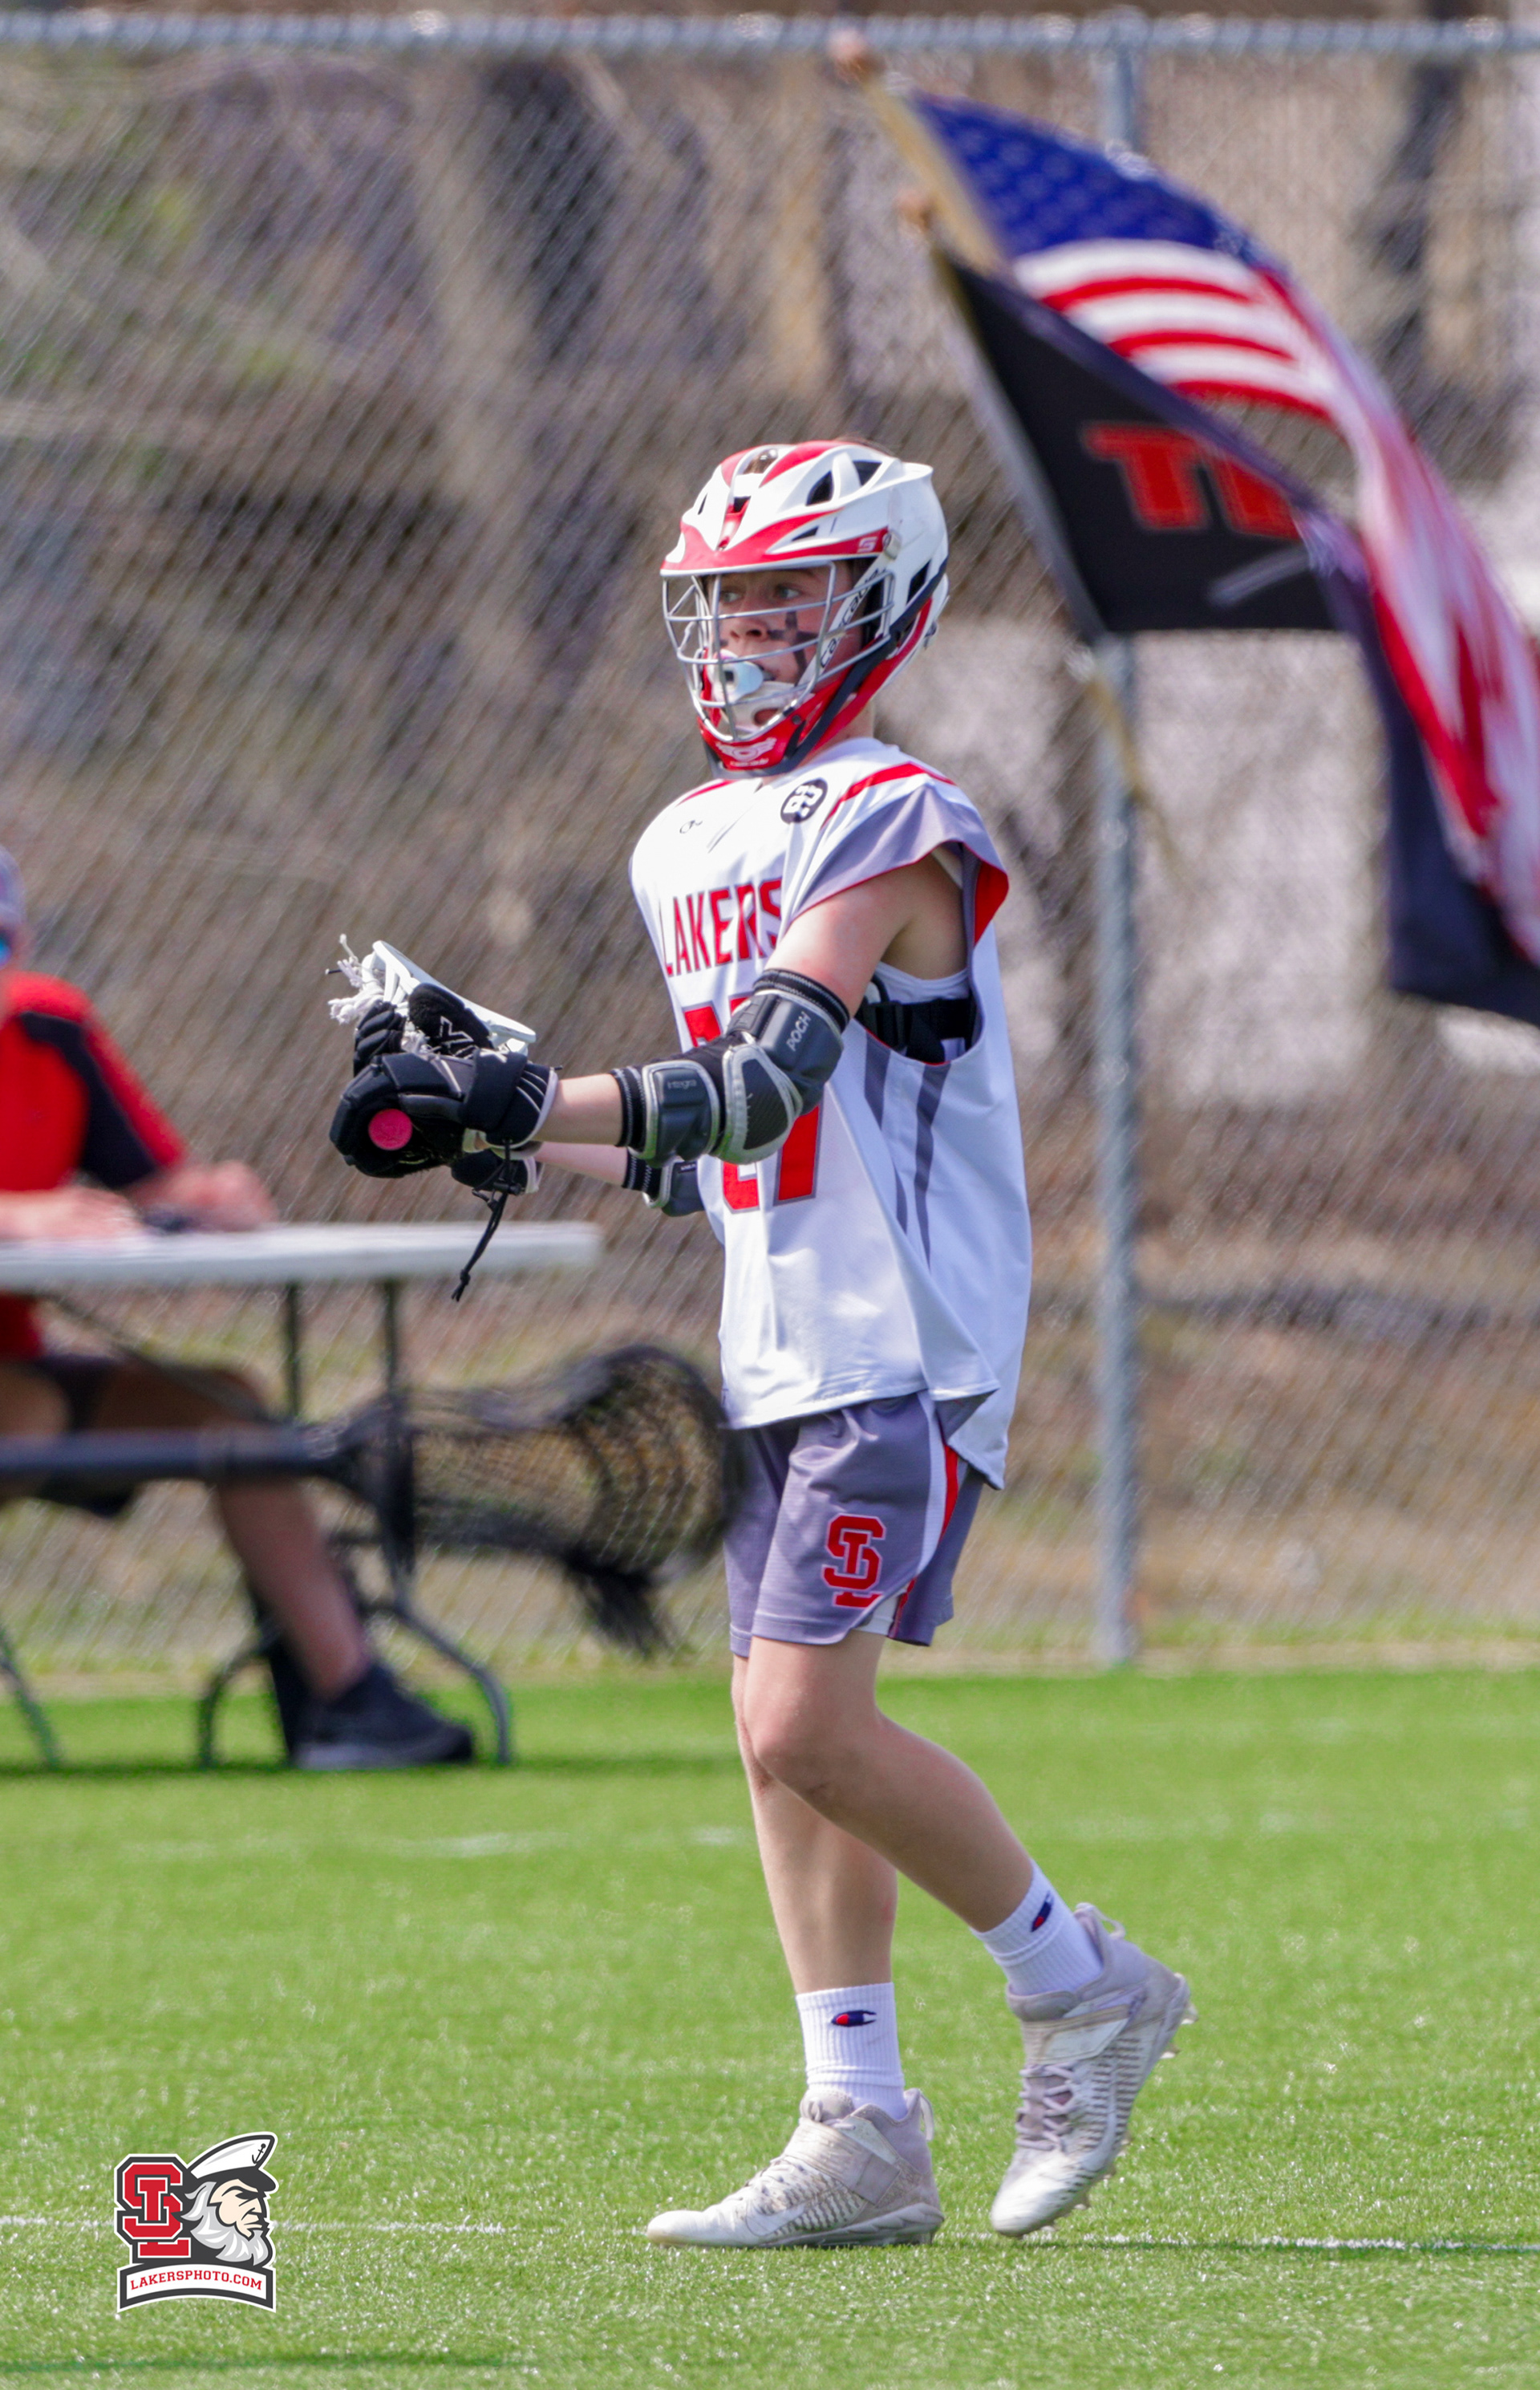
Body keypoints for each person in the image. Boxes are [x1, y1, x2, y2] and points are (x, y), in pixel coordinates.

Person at [329, 440, 1193, 2240]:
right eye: (723, 602)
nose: (745, 634)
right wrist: (505, 1122)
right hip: (783, 1331)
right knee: (772, 1733)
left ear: (881, 602)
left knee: (808, 1720)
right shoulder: (685, 841)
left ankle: (1081, 1982)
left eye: (787, 596)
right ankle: (860, 2121)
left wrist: (537, 1090)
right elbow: (708, 1146)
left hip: (901, 1338)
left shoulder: (895, 813)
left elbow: (767, 1072)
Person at [0, 847, 471, 1768]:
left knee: (232, 1409)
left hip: (22, 1378)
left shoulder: (49, 1028)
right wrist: (19, 1216)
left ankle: (349, 1701)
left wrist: (207, 1199)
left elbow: (153, 1183)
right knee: (30, 1410)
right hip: (22, 1401)